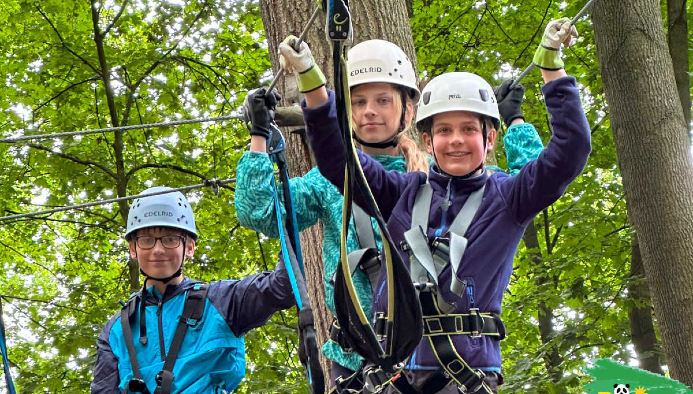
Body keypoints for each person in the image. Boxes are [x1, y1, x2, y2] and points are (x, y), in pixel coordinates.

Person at [280, 16, 589, 394]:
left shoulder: (509, 197)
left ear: (490, 139)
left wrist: (552, 69)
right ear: (427, 141)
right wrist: (312, 82)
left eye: (468, 130)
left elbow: (570, 151)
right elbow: (337, 159)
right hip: (392, 377)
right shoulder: (403, 193)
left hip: (467, 378)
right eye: (444, 130)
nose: (456, 140)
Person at [235, 38, 429, 389]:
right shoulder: (327, 181)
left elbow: (520, 197)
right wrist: (259, 138)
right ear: (344, 111)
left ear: (408, 110)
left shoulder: (435, 179)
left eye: (383, 100)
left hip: (430, 361)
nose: (369, 110)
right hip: (354, 361)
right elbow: (260, 212)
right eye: (358, 101)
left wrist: (516, 123)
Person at [91, 187, 295, 394]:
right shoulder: (117, 329)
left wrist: (292, 214)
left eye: (170, 239)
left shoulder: (221, 301)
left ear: (189, 247)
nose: (158, 249)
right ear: (133, 249)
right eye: (146, 240)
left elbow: (283, 287)